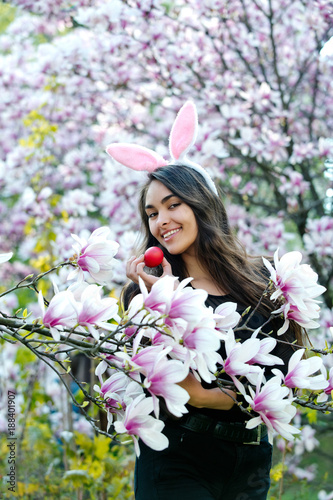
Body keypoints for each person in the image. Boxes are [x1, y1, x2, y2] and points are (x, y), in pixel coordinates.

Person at [106, 102, 306, 500]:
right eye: (151, 212)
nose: (161, 221)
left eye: (173, 204)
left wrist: (208, 396)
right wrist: (160, 301)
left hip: (249, 460)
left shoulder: (263, 281)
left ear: (202, 204)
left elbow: (281, 377)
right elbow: (158, 381)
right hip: (177, 457)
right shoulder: (145, 291)